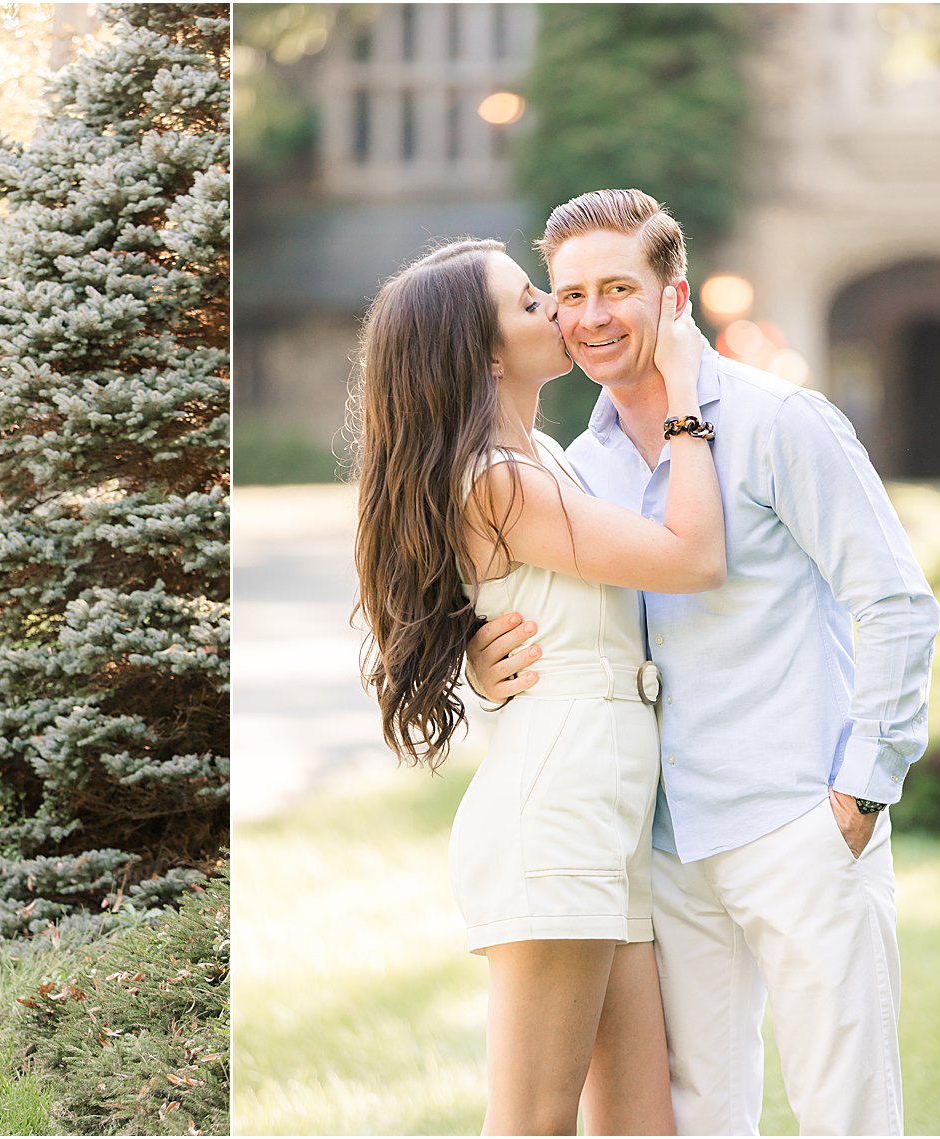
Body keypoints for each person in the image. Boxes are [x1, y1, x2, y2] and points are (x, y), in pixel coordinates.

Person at [468, 188, 939, 1136]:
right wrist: (479, 662)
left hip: (799, 818)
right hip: (665, 844)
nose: (592, 316)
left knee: (845, 1111)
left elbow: (893, 601)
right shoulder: (573, 466)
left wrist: (862, 789)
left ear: (672, 295)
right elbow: (540, 608)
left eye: (617, 288)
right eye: (569, 294)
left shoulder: (781, 422)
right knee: (699, 1118)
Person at [351, 235, 718, 1134]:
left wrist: (475, 651)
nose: (558, 311)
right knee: (532, 1124)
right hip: (558, 810)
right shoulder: (498, 480)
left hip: (604, 804)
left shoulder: (541, 458)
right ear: (483, 354)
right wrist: (685, 400)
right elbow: (691, 557)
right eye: (530, 304)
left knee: (641, 1122)